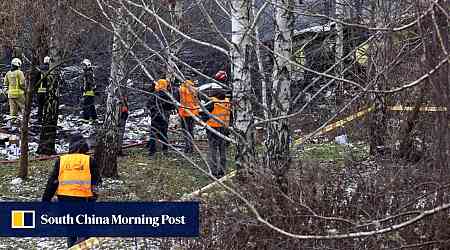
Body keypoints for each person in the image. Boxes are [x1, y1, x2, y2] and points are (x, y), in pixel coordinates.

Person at [42, 134, 101, 248]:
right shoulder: (90, 161)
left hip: (65, 200)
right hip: (84, 201)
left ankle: (72, 246)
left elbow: (52, 182)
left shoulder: (62, 160)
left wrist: (45, 201)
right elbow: (96, 182)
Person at [202, 92, 231, 178]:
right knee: (223, 150)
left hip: (212, 129)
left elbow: (204, 114)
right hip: (224, 128)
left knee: (213, 150)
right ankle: (222, 171)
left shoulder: (212, 103)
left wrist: (205, 122)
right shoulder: (227, 102)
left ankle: (214, 172)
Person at [147, 78, 175, 157]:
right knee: (164, 133)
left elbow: (148, 105)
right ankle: (165, 150)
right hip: (164, 116)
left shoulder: (154, 94)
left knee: (153, 133)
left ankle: (152, 151)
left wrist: (153, 110)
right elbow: (171, 106)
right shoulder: (167, 95)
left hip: (155, 116)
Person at [178, 77, 199, 153]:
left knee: (185, 130)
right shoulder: (194, 89)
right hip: (192, 112)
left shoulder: (181, 89)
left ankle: (187, 147)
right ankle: (191, 147)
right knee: (191, 130)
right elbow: (197, 101)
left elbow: (178, 100)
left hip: (184, 113)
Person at [3, 58, 26, 125]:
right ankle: (25, 122)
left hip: (10, 94)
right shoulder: (20, 72)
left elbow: (5, 84)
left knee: (13, 110)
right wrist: (25, 89)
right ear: (18, 65)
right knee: (24, 108)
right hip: (19, 94)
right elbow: (22, 83)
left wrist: (7, 91)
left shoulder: (8, 73)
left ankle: (13, 122)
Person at [36, 56, 52, 124]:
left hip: (40, 90)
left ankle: (39, 119)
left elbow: (36, 80)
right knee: (47, 105)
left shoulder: (39, 68)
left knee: (40, 106)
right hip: (48, 90)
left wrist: (35, 89)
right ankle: (46, 119)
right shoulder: (51, 69)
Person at [118, 83, 129, 156]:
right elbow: (123, 108)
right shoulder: (121, 99)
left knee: (119, 134)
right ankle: (118, 150)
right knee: (119, 134)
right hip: (121, 117)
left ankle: (118, 149)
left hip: (121, 116)